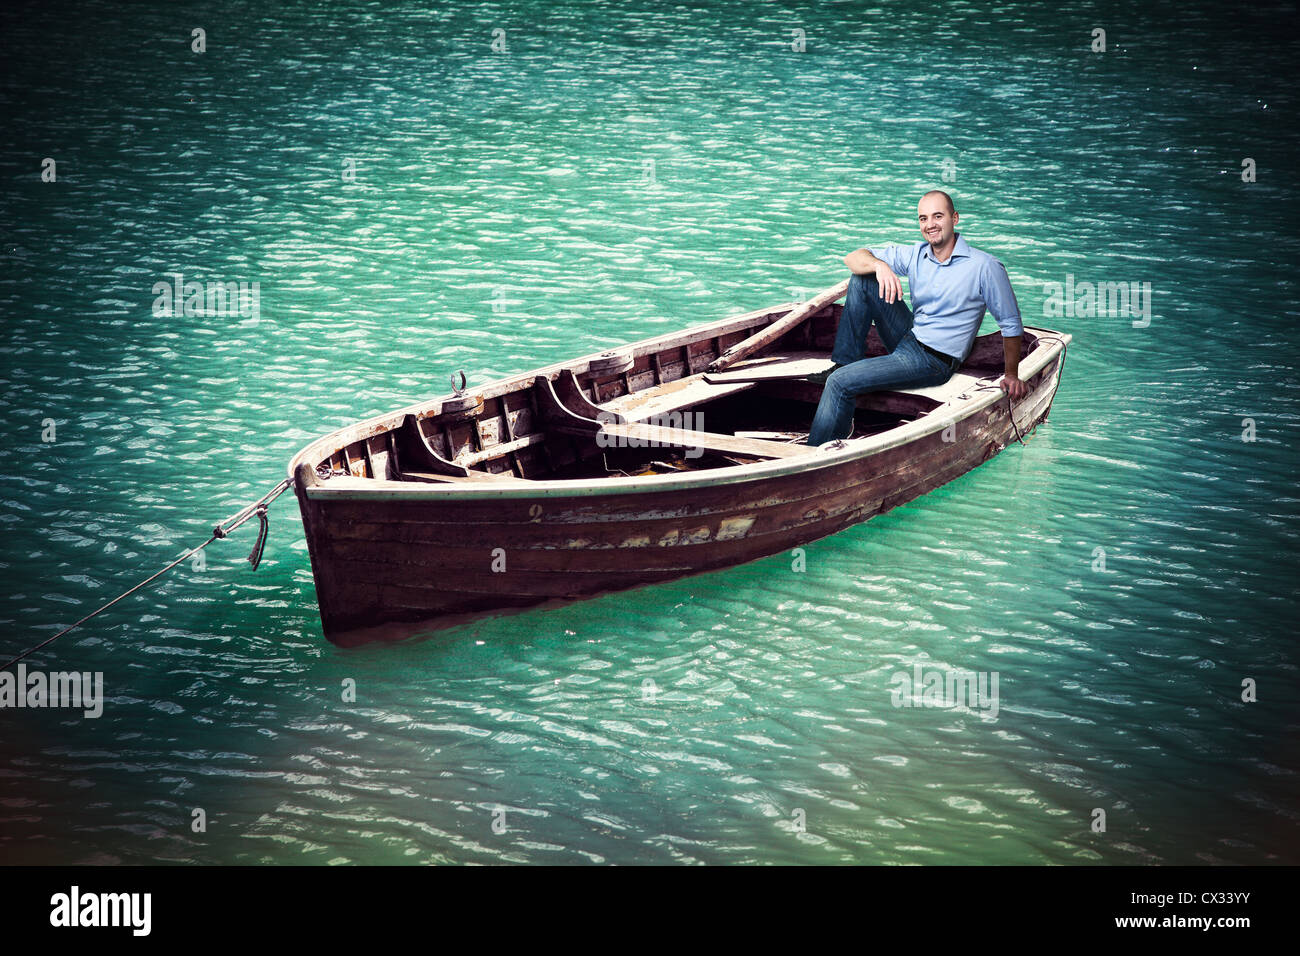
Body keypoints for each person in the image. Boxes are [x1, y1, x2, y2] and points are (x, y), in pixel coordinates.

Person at [806, 190, 1026, 446]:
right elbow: (853, 257)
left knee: (838, 384)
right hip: (909, 336)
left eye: (937, 216)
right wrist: (880, 266)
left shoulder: (984, 266)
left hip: (934, 360)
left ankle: (815, 460)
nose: (930, 224)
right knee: (863, 278)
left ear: (955, 218)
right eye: (923, 219)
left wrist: (1011, 374)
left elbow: (1010, 323)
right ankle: (845, 362)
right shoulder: (916, 254)